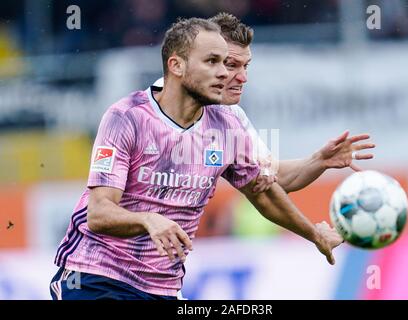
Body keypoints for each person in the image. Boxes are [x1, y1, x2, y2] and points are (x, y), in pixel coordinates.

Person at [50, 17, 343, 300]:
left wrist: (315, 233)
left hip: (163, 287)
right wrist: (147, 220)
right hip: (96, 277)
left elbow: (265, 191)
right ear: (176, 65)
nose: (229, 75)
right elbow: (98, 213)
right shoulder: (127, 117)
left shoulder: (227, 123)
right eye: (214, 62)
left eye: (231, 65)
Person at [153, 13, 376, 195]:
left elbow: (274, 176)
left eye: (246, 66)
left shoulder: (230, 116)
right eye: (230, 65)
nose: (242, 78)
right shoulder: (143, 112)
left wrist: (319, 160)